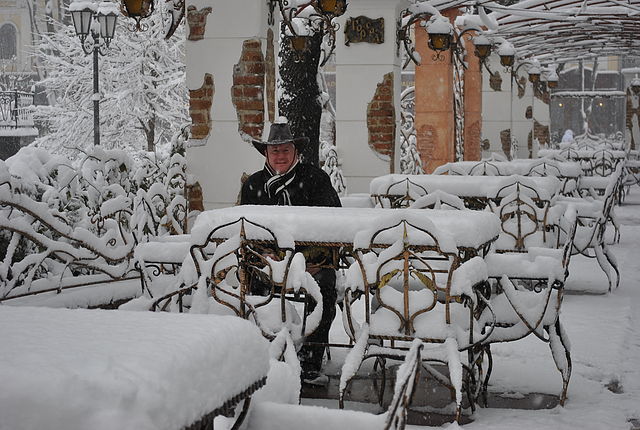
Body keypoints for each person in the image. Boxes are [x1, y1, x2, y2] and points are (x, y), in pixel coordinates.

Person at [240, 121, 341, 385]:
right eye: (275, 151)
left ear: (295, 151)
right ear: (266, 154)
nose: (280, 156)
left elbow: (334, 227)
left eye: (286, 150)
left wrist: (308, 261)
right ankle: (262, 353)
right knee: (247, 289)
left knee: (325, 290)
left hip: (312, 263)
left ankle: (310, 361)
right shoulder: (253, 185)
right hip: (267, 263)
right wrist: (265, 257)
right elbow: (245, 230)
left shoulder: (316, 179)